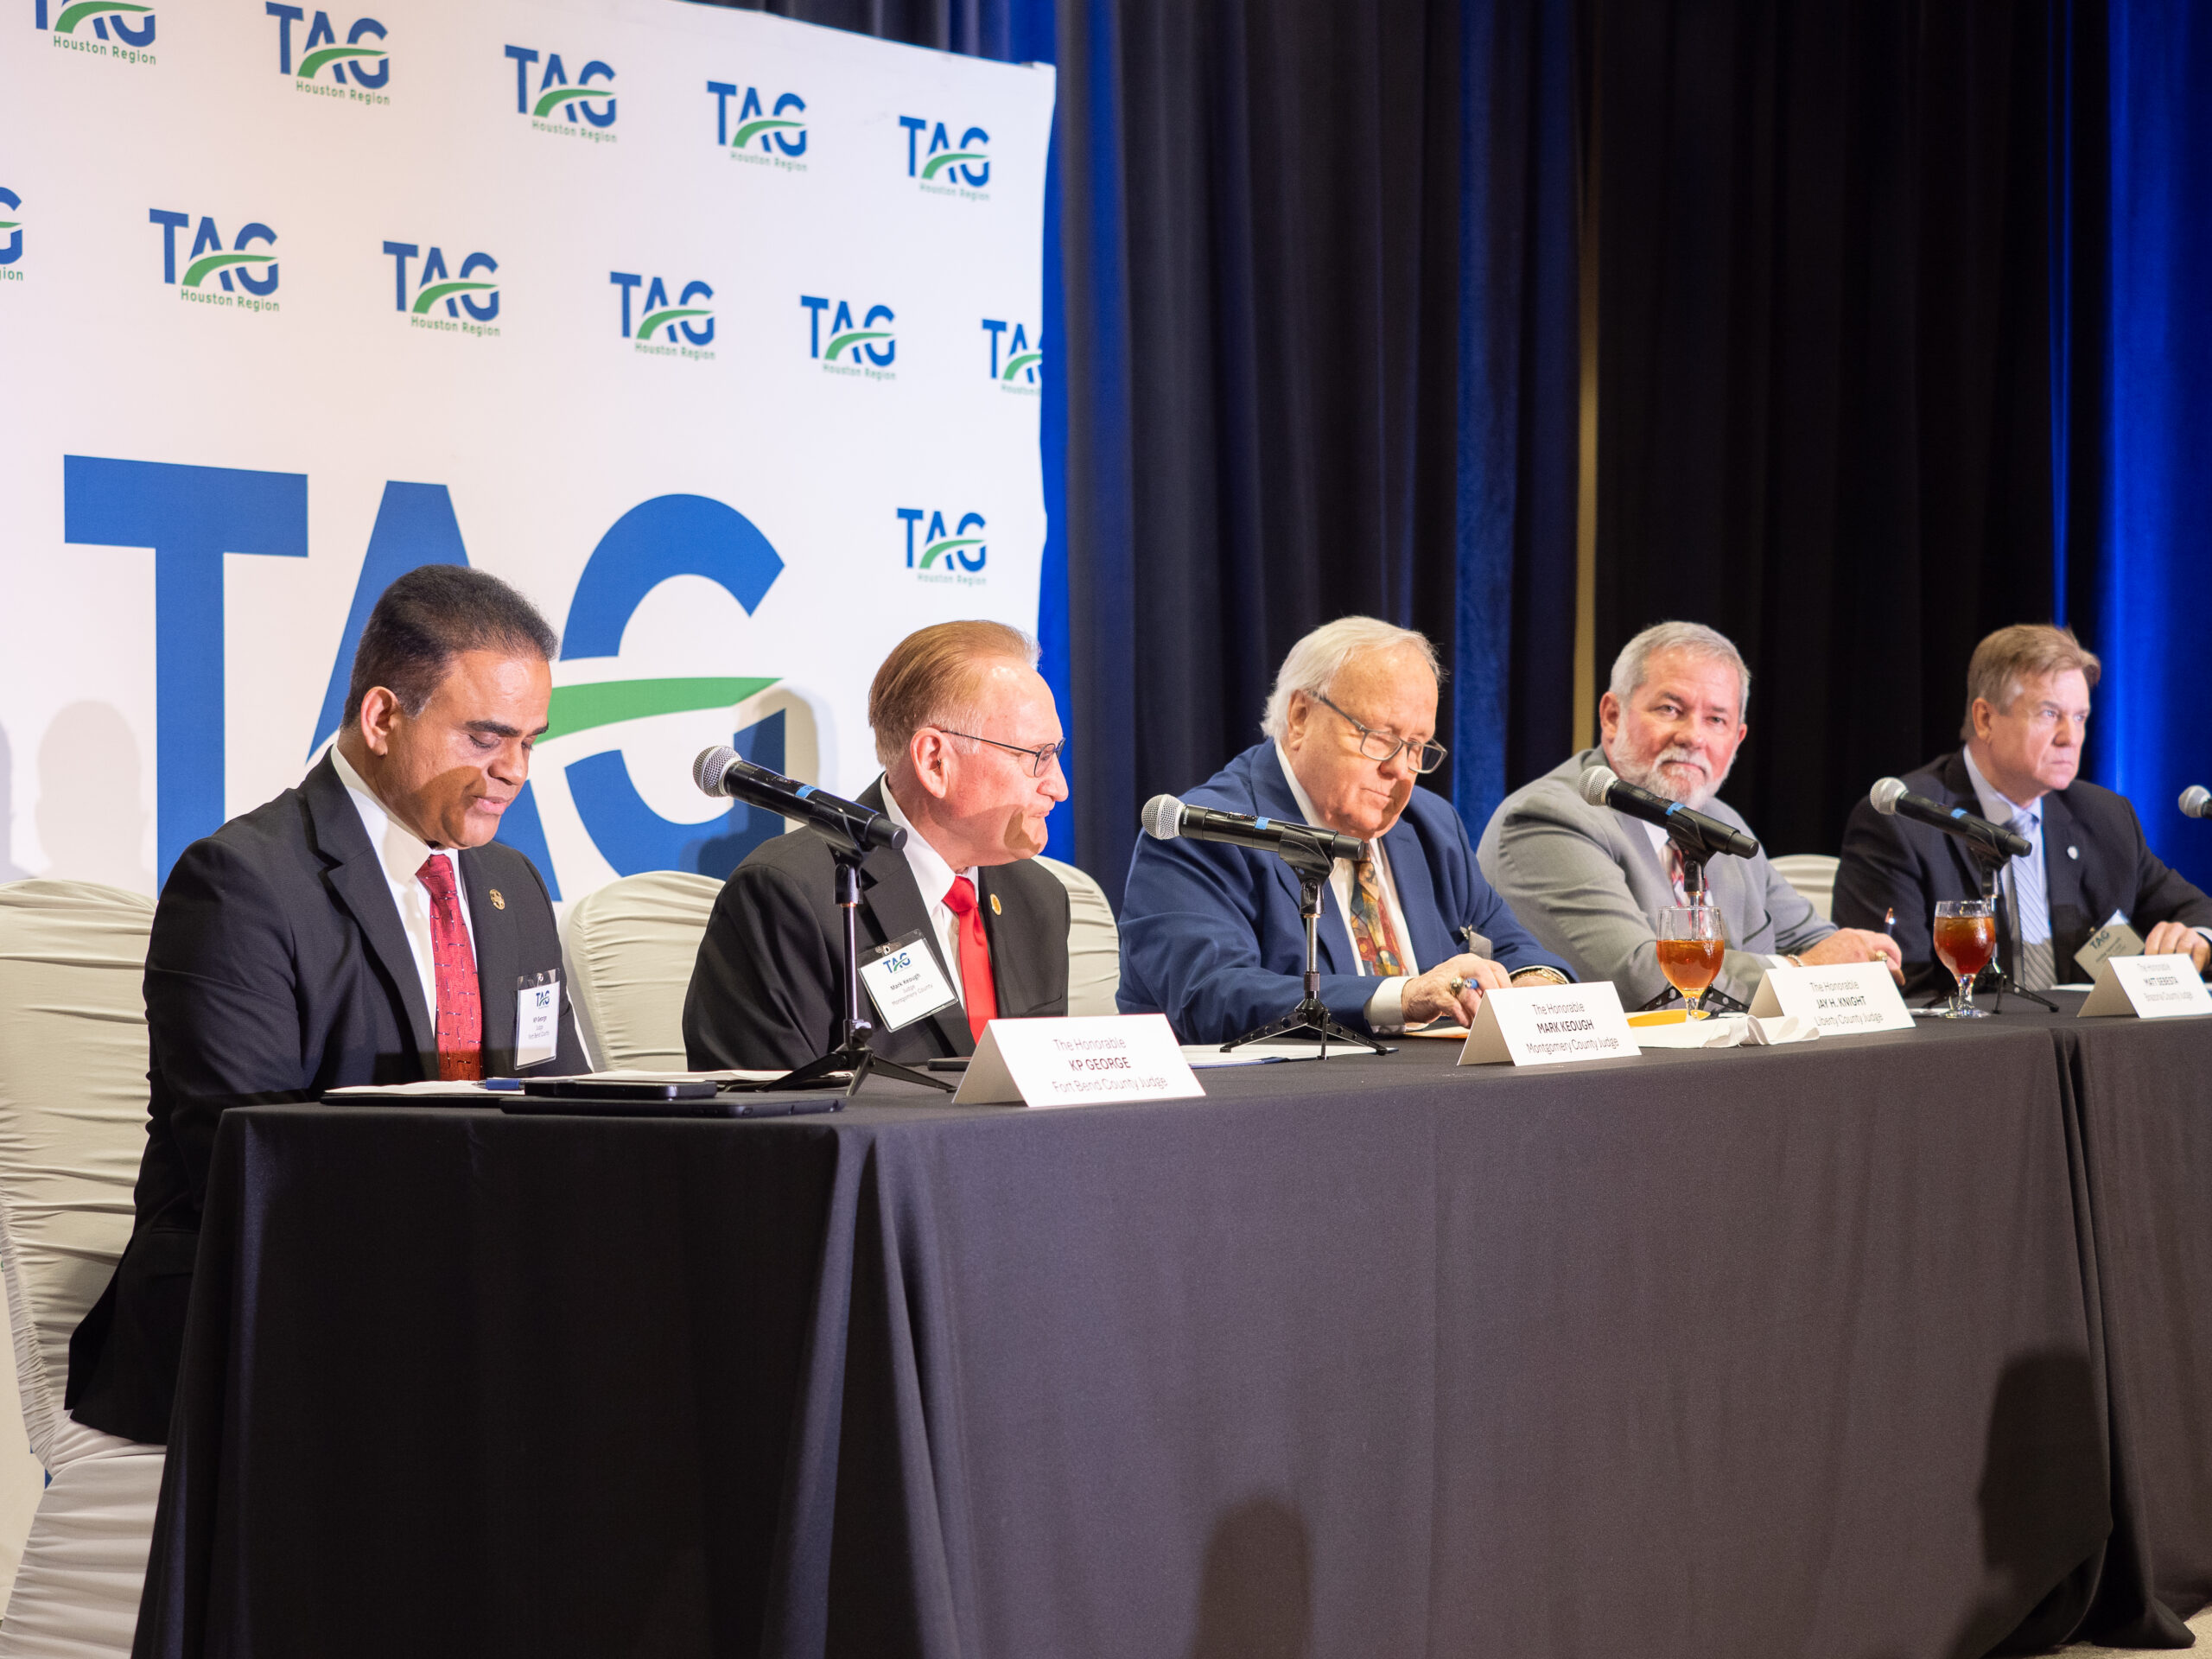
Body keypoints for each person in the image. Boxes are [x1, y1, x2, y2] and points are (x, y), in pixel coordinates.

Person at [66, 566, 585, 1447]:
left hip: (471, 1304)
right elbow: (254, 1164)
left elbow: (567, 1112)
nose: (514, 771)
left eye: (530, 741)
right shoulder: (241, 883)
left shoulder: (512, 885)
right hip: (271, 1318)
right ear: (382, 718)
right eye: (486, 737)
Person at [1116, 617, 1573, 1045]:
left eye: (1416, 747)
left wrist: (1533, 986)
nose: (1401, 769)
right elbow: (1213, 998)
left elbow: (1511, 945)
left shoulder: (1432, 826)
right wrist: (1404, 996)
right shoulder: (1202, 831)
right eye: (1380, 737)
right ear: (1300, 717)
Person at [684, 620, 1071, 1070]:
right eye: (1037, 756)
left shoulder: (1040, 899)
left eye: (1057, 752)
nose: (1059, 787)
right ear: (934, 761)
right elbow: (768, 1108)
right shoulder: (786, 897)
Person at [1478, 620, 1900, 1008]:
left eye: (1716, 719)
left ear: (1737, 739)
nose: (1694, 737)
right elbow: (1643, 982)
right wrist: (1801, 972)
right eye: (1670, 709)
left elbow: (1817, 942)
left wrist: (1853, 958)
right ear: (1612, 716)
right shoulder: (1551, 817)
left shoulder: (1720, 822)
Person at [1834, 623, 2212, 992]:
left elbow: (2197, 912)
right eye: (2049, 714)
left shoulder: (2106, 815)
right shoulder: (1905, 823)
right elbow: (1893, 987)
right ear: (1985, 719)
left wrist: (2196, 937)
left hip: (2087, 1032)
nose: (2070, 737)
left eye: (2079, 717)